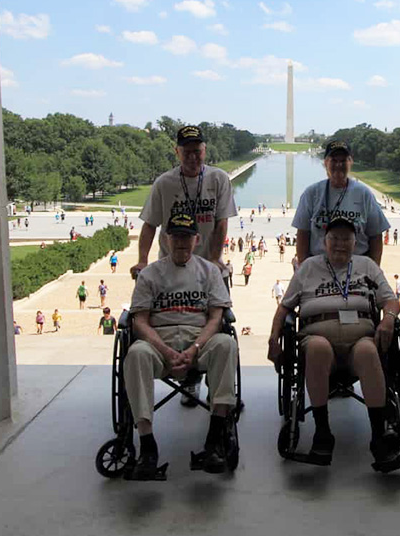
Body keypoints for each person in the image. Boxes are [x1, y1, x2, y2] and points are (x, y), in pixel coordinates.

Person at [267, 216, 400, 472]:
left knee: (368, 351)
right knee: (318, 348)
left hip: (360, 336)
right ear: (324, 242)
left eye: (347, 239)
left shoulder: (366, 266)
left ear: (355, 243)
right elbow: (285, 307)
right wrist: (274, 338)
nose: (341, 244)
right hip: (318, 335)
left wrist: (387, 320)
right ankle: (323, 433)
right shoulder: (308, 268)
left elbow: (391, 301)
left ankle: (379, 438)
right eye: (335, 239)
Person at [123, 213, 237, 478]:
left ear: (197, 240)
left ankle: (215, 438)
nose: (181, 243)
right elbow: (139, 321)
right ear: (167, 239)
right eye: (176, 237)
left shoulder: (209, 272)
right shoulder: (150, 274)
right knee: (136, 353)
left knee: (225, 344)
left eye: (187, 237)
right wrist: (165, 350)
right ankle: (147, 443)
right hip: (158, 341)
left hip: (198, 340)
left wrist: (194, 348)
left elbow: (216, 317)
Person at [131, 126, 237, 283]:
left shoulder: (218, 179)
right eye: (187, 153)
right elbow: (150, 224)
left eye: (197, 151)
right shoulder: (164, 183)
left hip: (208, 268)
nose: (192, 157)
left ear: (205, 150)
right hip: (171, 268)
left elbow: (221, 222)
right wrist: (142, 261)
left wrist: (215, 258)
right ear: (177, 152)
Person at [292, 140, 390, 266]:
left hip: (356, 267)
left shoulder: (364, 194)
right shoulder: (311, 193)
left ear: (350, 162)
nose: (339, 165)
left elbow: (376, 236)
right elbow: (302, 234)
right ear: (325, 163)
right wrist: (305, 269)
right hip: (319, 266)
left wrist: (372, 270)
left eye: (343, 161)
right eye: (334, 160)